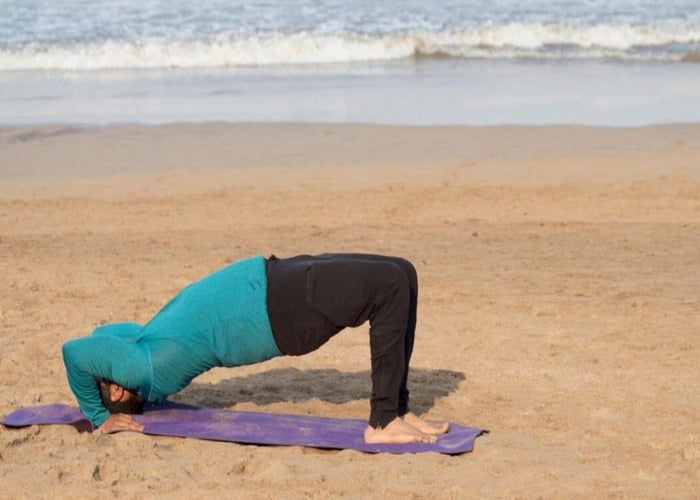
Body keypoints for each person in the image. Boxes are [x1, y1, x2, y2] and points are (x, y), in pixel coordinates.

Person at [62, 253, 448, 444]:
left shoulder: (144, 340)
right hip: (278, 311)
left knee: (402, 270)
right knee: (390, 286)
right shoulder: (141, 369)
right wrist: (98, 417)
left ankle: (398, 409)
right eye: (105, 374)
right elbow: (75, 351)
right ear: (116, 389)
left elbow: (102, 333)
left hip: (270, 279)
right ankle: (381, 421)